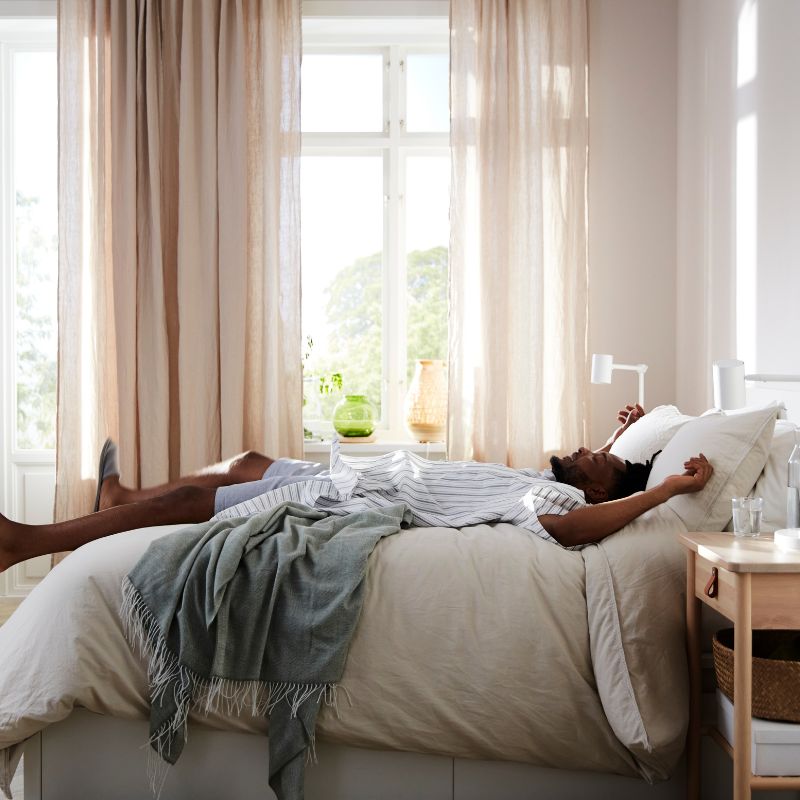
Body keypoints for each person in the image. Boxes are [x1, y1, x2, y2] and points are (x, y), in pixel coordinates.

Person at [0, 404, 713, 572]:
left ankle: (25, 544)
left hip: (365, 498)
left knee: (195, 506)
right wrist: (635, 434)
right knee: (247, 459)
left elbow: (583, 521)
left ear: (600, 490)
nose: (587, 448)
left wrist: (663, 487)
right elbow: (606, 474)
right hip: (371, 473)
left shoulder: (560, 503)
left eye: (601, 457)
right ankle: (122, 502)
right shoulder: (554, 477)